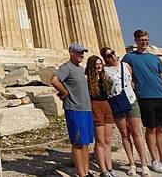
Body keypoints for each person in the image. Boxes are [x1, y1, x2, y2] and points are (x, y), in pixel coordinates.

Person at [122, 29, 162, 174]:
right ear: (136, 41)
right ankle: (154, 160)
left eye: (146, 40)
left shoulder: (155, 58)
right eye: (142, 40)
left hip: (161, 96)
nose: (145, 42)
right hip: (145, 97)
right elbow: (126, 76)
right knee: (151, 128)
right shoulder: (129, 57)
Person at [101, 46, 150, 176]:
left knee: (136, 132)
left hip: (131, 100)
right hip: (116, 103)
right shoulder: (104, 71)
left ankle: (144, 164)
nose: (112, 56)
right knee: (124, 134)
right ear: (104, 58)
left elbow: (133, 80)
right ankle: (132, 163)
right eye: (108, 55)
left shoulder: (126, 65)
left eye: (113, 53)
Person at [51, 43, 94, 177]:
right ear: (71, 52)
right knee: (78, 143)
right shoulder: (67, 67)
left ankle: (87, 172)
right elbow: (54, 80)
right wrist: (65, 93)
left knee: (85, 143)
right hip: (74, 109)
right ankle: (81, 174)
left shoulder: (80, 69)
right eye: (78, 52)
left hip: (86, 109)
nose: (82, 54)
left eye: (83, 52)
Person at [85, 55, 116, 177]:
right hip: (95, 106)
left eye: (100, 63)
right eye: (96, 64)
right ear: (91, 66)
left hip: (106, 106)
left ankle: (109, 168)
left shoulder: (104, 77)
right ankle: (103, 170)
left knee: (107, 141)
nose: (98, 66)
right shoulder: (87, 79)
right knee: (100, 141)